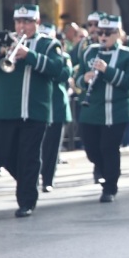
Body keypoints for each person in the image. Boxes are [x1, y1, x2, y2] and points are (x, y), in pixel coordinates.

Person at [0, 4, 64, 217]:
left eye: (27, 22)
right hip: (7, 110)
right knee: (5, 155)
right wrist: (1, 52)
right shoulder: (6, 41)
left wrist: (29, 55)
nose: (22, 26)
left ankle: (26, 201)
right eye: (18, 22)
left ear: (36, 23)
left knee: (29, 156)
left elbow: (59, 70)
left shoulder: (49, 44)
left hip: (35, 110)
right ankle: (29, 181)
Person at [76, 14, 129, 202]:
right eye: (100, 32)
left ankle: (110, 187)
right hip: (91, 110)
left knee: (109, 148)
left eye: (108, 33)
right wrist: (84, 79)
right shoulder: (89, 52)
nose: (103, 36)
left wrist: (107, 70)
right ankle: (104, 172)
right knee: (92, 150)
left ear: (118, 33)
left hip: (116, 112)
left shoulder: (128, 54)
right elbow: (78, 77)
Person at [39, 23, 72, 192]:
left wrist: (46, 66)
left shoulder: (63, 56)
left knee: (52, 148)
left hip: (57, 106)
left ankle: (48, 179)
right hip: (38, 107)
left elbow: (64, 74)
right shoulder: (33, 56)